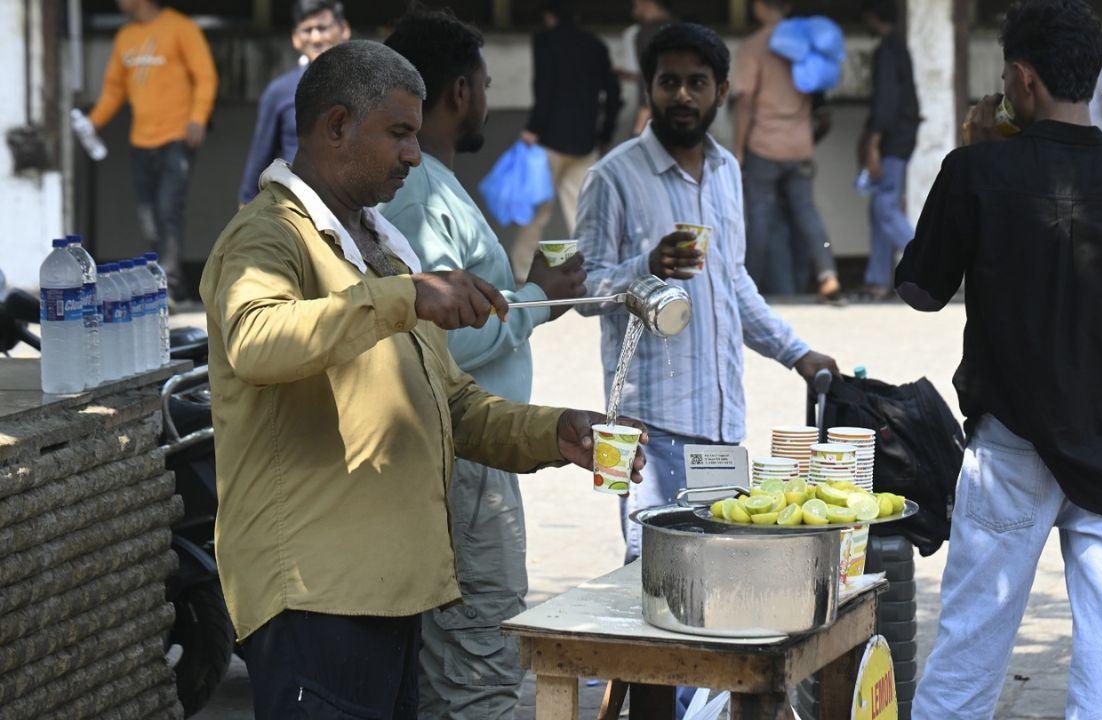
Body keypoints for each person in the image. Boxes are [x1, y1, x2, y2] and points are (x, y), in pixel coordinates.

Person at [200, 41, 645, 718]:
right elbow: (256, 341)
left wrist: (555, 432)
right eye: (400, 133)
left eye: (414, 134)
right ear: (337, 126)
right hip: (314, 597)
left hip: (388, 596)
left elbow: (454, 407)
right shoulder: (265, 238)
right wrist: (407, 295)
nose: (414, 154)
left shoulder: (374, 245)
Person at [893, 1, 1102, 716]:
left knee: (967, 652)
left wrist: (972, 160)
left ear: (1021, 79)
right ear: (1091, 75)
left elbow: (919, 289)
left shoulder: (975, 170)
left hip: (1009, 450)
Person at [378, 9, 588, 719]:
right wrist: (534, 298)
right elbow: (431, 342)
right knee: (478, 668)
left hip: (468, 454)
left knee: (451, 670)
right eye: (487, 85)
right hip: (463, 464)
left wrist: (536, 296)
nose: (489, 101)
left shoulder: (427, 182)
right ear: (461, 92)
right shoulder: (418, 190)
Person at [575, 22, 840, 563]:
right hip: (648, 425)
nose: (682, 95)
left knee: (718, 571)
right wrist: (645, 266)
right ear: (648, 88)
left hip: (721, 426)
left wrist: (798, 355)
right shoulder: (613, 178)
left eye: (697, 83)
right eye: (668, 82)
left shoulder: (727, 171)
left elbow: (732, 280)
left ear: (721, 91)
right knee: (651, 574)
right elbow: (582, 290)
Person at [87, 0, 217, 301]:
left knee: (168, 209)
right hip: (140, 140)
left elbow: (205, 76)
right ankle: (161, 278)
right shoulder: (126, 37)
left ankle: (169, 286)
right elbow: (114, 89)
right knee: (148, 213)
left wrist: (197, 118)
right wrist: (93, 123)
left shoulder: (181, 28)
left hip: (175, 138)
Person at [732, 0, 843, 301]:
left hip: (764, 144)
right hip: (800, 144)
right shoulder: (806, 41)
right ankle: (828, 272)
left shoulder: (754, 46)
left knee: (759, 217)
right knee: (808, 214)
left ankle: (750, 286)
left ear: (759, 7)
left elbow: (744, 103)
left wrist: (738, 148)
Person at [509, 0, 622, 283]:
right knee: (583, 213)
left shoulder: (545, 41)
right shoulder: (595, 45)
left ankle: (521, 273)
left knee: (536, 212)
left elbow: (544, 88)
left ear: (548, 15)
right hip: (585, 142)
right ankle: (590, 274)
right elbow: (613, 92)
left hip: (549, 141)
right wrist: (605, 134)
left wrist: (533, 129)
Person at [236, 0, 350, 207]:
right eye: (307, 30)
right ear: (296, 39)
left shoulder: (365, 86)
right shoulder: (279, 92)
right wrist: (246, 209)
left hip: (357, 210)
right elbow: (258, 163)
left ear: (344, 30)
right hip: (296, 211)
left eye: (323, 28)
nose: (316, 37)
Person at [858, 0, 920, 301]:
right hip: (901, 137)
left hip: (891, 141)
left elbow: (885, 102)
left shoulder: (887, 51)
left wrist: (873, 143)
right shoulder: (899, 47)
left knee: (884, 208)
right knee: (878, 210)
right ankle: (878, 281)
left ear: (873, 16)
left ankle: (929, 263)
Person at [629, 0, 675, 136]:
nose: (633, 7)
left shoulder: (646, 33)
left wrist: (640, 125)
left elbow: (650, 76)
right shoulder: (681, 28)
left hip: (655, 118)